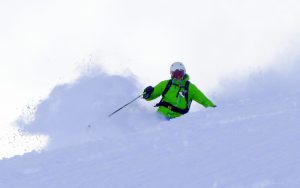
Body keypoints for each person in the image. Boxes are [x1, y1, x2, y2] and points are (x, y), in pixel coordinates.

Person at [143, 62, 216, 119]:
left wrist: (215, 109)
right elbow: (149, 97)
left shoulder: (190, 88)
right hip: (161, 115)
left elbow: (203, 100)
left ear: (184, 73)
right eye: (175, 74)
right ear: (172, 74)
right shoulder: (165, 84)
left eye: (180, 74)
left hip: (177, 119)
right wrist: (147, 93)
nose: (178, 77)